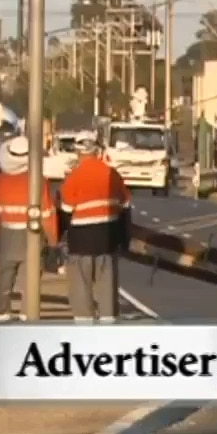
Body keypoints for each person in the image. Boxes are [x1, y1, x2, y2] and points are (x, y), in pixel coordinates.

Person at [58, 136, 131, 324]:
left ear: (79, 153)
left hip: (81, 240)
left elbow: (66, 211)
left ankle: (85, 323)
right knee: (107, 283)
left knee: (81, 284)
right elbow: (125, 206)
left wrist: (61, 238)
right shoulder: (112, 174)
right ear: (96, 152)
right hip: (107, 237)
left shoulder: (74, 176)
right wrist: (124, 240)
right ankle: (108, 320)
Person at [0, 136, 59, 323]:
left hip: (5, 236)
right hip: (32, 237)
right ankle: (28, 314)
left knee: (3, 280)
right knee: (31, 283)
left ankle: (1, 313)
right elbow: (47, 216)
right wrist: (53, 244)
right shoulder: (39, 182)